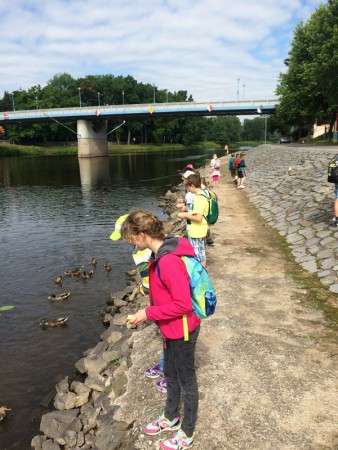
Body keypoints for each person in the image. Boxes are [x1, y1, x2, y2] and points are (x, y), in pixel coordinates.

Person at [123, 210, 200, 450]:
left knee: (187, 381)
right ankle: (170, 416)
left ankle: (186, 433)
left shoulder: (167, 261)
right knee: (170, 374)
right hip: (170, 328)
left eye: (132, 240)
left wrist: (147, 314)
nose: (132, 245)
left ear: (143, 235)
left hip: (183, 330)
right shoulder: (159, 254)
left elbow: (183, 304)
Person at [110, 214, 167, 392]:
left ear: (139, 234)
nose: (128, 243)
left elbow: (149, 282)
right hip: (162, 305)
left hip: (166, 308)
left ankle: (171, 375)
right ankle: (165, 365)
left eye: (127, 239)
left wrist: (144, 296)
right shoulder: (159, 247)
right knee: (168, 339)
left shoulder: (144, 254)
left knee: (172, 340)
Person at [178, 173, 209, 267]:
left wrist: (185, 215)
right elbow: (198, 212)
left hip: (197, 231)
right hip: (197, 230)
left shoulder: (199, 199)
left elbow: (198, 218)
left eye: (188, 187)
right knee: (199, 253)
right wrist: (187, 210)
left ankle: (201, 276)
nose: (188, 189)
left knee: (200, 256)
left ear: (192, 186)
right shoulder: (202, 194)